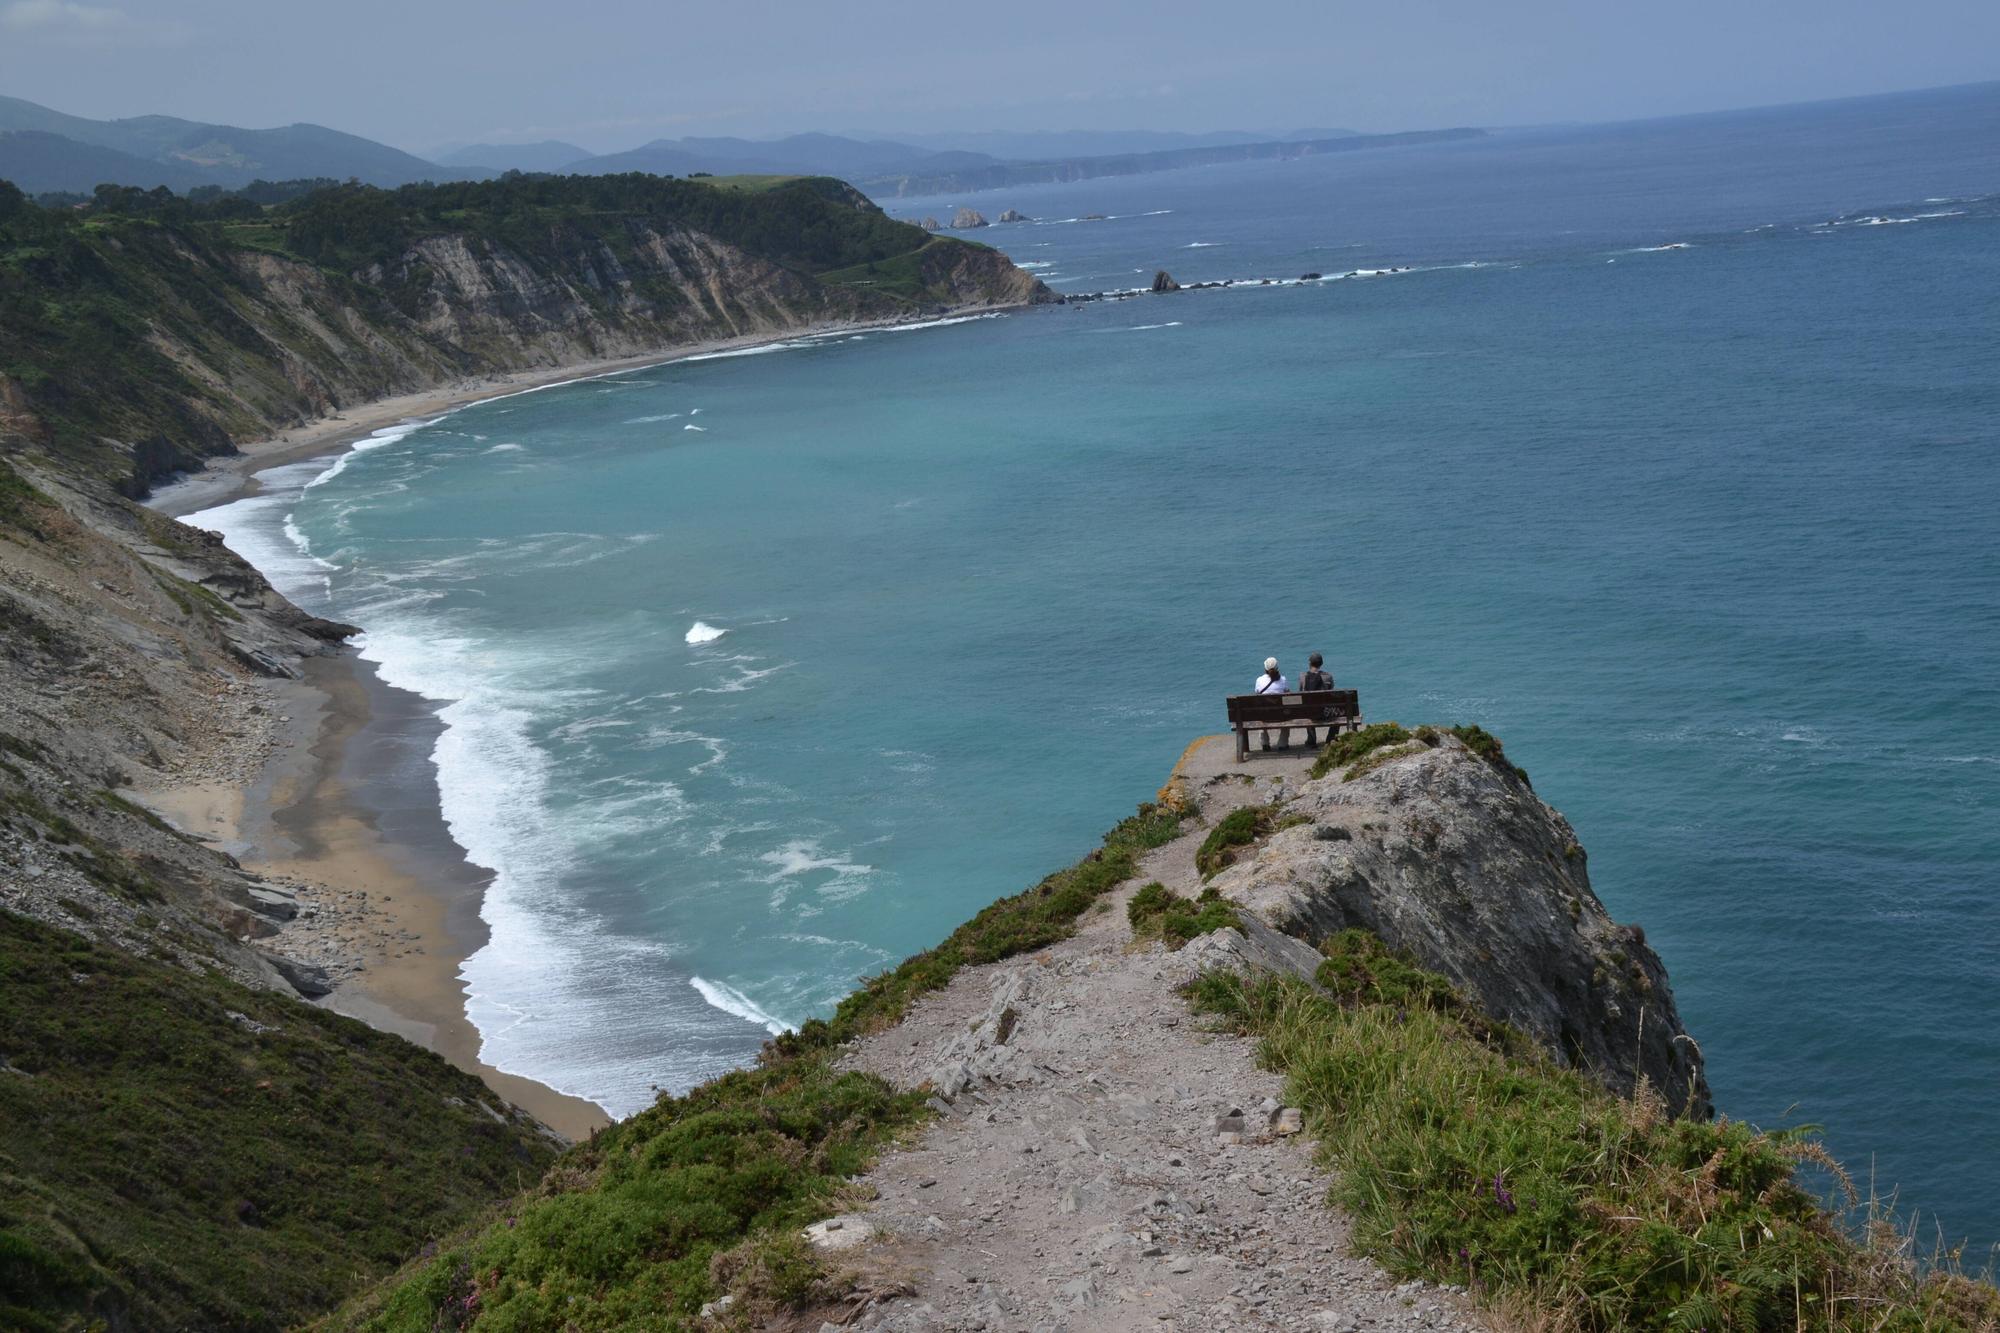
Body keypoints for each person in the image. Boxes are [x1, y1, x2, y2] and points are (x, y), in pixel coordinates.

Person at [1253, 657, 1290, 750]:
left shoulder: (1259, 680)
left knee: (1260, 713)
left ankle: (1264, 743)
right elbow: (1289, 696)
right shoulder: (1283, 680)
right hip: (1280, 716)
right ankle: (1282, 744)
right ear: (1277, 668)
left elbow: (1256, 696)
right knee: (1287, 714)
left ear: (1265, 668)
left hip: (1265, 715)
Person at [1297, 653, 1333, 747]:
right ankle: (1330, 739)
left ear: (1310, 663)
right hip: (1325, 713)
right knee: (1339, 713)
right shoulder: (1328, 677)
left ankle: (1311, 739)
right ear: (1321, 663)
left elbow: (1301, 693)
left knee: (1307, 706)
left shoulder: (1302, 677)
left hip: (1310, 713)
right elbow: (1331, 692)